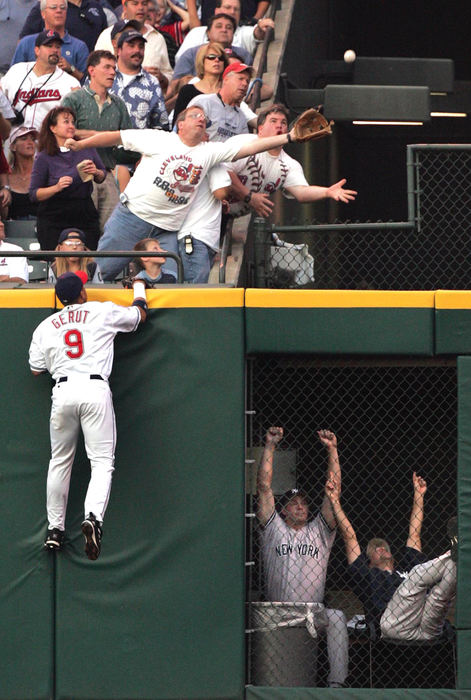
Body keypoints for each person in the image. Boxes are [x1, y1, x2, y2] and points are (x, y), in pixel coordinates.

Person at [62, 103, 308, 281]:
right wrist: (81, 144)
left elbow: (252, 147)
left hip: (167, 229)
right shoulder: (159, 139)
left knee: (170, 280)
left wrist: (288, 137)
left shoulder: (210, 150)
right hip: (133, 217)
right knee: (102, 272)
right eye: (194, 115)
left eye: (204, 117)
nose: (201, 118)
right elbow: (113, 136)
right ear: (180, 124)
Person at [29, 271, 148, 559]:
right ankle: (93, 517)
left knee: (60, 461)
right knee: (102, 462)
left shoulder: (45, 326)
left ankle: (55, 530)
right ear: (83, 293)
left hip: (63, 390)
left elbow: (35, 368)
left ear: (60, 298)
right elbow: (139, 316)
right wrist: (139, 289)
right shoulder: (100, 310)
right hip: (94, 387)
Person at [256, 427, 348, 688]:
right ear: (283, 510)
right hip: (277, 611)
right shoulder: (274, 529)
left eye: (304, 503)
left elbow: (334, 490)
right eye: (294, 502)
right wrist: (270, 447)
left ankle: (336, 686)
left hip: (312, 612)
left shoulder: (319, 531)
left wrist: (332, 450)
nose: (300, 506)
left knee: (337, 617)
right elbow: (263, 487)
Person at [324, 468, 457, 642]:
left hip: (426, 626)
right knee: (418, 573)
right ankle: (456, 551)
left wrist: (419, 495)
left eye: (383, 546)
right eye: (375, 548)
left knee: (449, 574)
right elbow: (349, 536)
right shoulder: (367, 575)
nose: (381, 548)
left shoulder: (403, 570)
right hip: (394, 625)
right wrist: (334, 501)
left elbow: (414, 534)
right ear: (369, 561)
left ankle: (458, 556)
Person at [227, 103, 357, 219]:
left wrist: (327, 192)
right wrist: (249, 196)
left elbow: (301, 193)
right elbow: (223, 171)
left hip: (230, 216)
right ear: (260, 129)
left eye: (283, 123)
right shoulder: (243, 142)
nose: (279, 125)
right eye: (273, 121)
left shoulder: (288, 165)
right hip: (211, 204)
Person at [62, 50, 133, 235]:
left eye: (114, 68)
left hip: (107, 173)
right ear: (91, 70)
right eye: (107, 67)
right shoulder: (74, 99)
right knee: (81, 229)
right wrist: (99, 136)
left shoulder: (119, 104)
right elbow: (62, 132)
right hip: (78, 173)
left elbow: (128, 140)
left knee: (111, 231)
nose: (112, 72)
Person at [29, 106, 106, 250]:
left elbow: (102, 175)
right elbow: (34, 194)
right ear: (53, 128)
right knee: (56, 261)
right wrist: (56, 187)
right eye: (66, 122)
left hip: (84, 210)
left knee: (88, 258)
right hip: (54, 213)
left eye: (72, 122)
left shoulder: (86, 148)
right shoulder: (44, 157)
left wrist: (96, 172)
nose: (71, 126)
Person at [0, 31, 80, 132]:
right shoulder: (17, 71)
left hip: (48, 144)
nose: (55, 50)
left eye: (58, 47)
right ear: (37, 50)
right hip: (14, 141)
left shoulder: (70, 83)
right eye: (49, 46)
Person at [94, 0, 173, 90]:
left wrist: (161, 78)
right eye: (135, 3)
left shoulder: (158, 38)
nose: (140, 8)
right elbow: (95, 73)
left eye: (144, 3)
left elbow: (169, 76)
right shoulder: (107, 35)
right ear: (124, 7)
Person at [11, 0, 89, 83]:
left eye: (63, 8)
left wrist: (71, 69)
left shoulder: (79, 46)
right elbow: (13, 77)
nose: (59, 11)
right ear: (43, 14)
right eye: (53, 7)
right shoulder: (27, 43)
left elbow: (88, 82)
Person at [176, 0, 274, 61]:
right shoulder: (196, 33)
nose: (232, 12)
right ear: (216, 10)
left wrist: (261, 28)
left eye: (236, 9)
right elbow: (180, 60)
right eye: (227, 7)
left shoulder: (243, 33)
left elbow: (256, 34)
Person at [171, 13, 253, 85]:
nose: (224, 30)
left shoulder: (243, 54)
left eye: (229, 27)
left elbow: (250, 81)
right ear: (208, 33)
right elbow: (176, 83)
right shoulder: (192, 53)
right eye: (219, 26)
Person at [112, 29, 169, 130]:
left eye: (141, 46)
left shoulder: (152, 82)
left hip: (137, 144)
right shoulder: (103, 75)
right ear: (119, 51)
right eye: (131, 46)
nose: (137, 50)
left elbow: (161, 125)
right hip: (102, 142)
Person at [187, 60, 256, 139]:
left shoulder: (241, 116)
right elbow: (187, 132)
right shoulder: (204, 102)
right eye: (240, 79)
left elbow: (243, 145)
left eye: (247, 81)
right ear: (226, 80)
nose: (245, 84)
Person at [172, 41, 228, 126]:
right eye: (211, 57)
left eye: (221, 58)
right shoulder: (187, 91)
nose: (217, 60)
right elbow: (177, 124)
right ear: (202, 61)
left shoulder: (227, 92)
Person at [19, 0, 108, 53]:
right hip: (55, 65)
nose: (59, 10)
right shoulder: (48, 5)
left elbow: (105, 39)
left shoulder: (96, 6)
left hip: (89, 70)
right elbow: (24, 42)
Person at [1, 126, 38, 221]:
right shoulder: (5, 178)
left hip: (41, 231)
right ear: (13, 146)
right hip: (12, 232)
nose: (30, 142)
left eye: (33, 139)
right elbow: (4, 216)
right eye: (24, 139)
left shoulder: (43, 174)